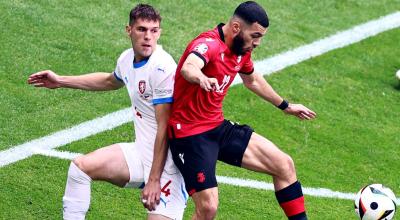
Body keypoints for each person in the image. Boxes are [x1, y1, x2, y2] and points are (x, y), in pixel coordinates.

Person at [27, 4, 187, 220]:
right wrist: (61, 81)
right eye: (141, 29)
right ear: (128, 30)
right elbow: (110, 80)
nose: (148, 36)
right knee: (80, 169)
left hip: (169, 167)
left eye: (154, 30)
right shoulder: (127, 59)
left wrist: (153, 179)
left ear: (159, 32)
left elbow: (164, 127)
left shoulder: (161, 68)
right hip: (142, 153)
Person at [167, 1, 316, 220]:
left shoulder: (240, 49)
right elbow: (189, 66)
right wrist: (201, 78)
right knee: (208, 207)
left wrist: (286, 106)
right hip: (189, 135)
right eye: (255, 36)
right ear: (236, 28)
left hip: (217, 127)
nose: (257, 43)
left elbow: (252, 80)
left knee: (284, 164)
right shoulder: (208, 44)